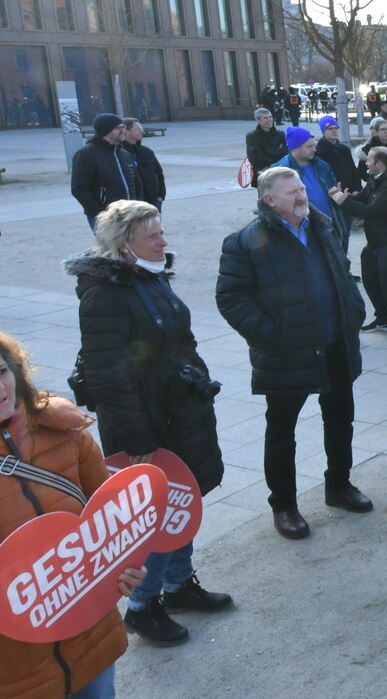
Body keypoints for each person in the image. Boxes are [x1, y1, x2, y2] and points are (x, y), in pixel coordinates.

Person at [63, 199, 232, 645]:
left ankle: (178, 586)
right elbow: (107, 376)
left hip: (178, 414)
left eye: (161, 231)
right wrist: (137, 437)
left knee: (182, 504)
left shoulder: (146, 277)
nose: (164, 240)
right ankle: (142, 606)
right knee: (154, 519)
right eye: (153, 235)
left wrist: (196, 378)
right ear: (124, 245)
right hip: (147, 427)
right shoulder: (104, 295)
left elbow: (180, 339)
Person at [216, 166, 371, 539]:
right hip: (287, 354)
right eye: (291, 193)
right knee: (282, 433)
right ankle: (284, 506)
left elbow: (342, 271)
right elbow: (230, 297)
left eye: (301, 189)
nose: (301, 196)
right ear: (269, 200)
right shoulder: (245, 242)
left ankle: (339, 486)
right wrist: (271, 336)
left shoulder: (322, 226)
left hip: (334, 344)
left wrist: (354, 311)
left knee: (340, 420)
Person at [0, 334, 149, 696]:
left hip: (91, 643)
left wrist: (125, 565)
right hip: (17, 668)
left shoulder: (65, 432)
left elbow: (111, 518)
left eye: (1, 371)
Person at [331, 147, 387, 339]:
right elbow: (365, 197)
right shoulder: (376, 178)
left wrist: (344, 201)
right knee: (370, 279)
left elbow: (371, 211)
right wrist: (349, 196)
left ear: (380, 164)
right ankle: (383, 318)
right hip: (377, 240)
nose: (366, 163)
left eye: (369, 160)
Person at [273, 127, 349, 249]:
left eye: (314, 145)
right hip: (304, 230)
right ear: (296, 147)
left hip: (329, 226)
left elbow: (333, 192)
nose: (314, 149)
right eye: (309, 146)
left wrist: (337, 195)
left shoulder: (321, 165)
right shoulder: (280, 172)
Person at [71, 113, 141, 230]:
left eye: (123, 127)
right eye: (118, 128)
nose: (123, 131)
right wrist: (100, 214)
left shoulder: (124, 153)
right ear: (105, 130)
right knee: (112, 247)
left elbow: (137, 183)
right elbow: (79, 188)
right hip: (105, 217)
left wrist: (138, 207)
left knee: (133, 247)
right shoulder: (86, 154)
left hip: (130, 214)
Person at [120, 118, 165, 212]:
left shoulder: (147, 152)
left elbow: (159, 173)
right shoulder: (119, 154)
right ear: (126, 131)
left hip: (153, 203)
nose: (143, 132)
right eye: (138, 129)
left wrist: (160, 196)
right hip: (131, 207)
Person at [315, 116, 360, 195]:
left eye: (336, 128)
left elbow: (353, 171)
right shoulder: (318, 151)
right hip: (331, 193)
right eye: (330, 128)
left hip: (349, 193)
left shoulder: (344, 149)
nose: (334, 131)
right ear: (323, 131)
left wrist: (357, 189)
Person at [245, 108, 288, 189]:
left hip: (280, 173)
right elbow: (255, 159)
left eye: (270, 117)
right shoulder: (252, 136)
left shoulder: (280, 134)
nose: (269, 120)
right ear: (258, 120)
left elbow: (286, 152)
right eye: (265, 118)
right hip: (262, 174)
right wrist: (276, 153)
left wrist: (267, 151)